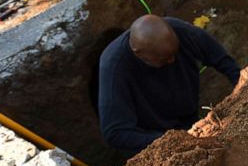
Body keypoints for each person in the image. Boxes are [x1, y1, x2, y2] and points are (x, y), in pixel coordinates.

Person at [98, 14, 240, 154]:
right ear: (139, 53)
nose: (172, 60)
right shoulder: (114, 68)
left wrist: (243, 86)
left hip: (188, 113)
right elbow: (115, 133)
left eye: (175, 53)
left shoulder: (178, 30)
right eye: (164, 59)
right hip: (155, 135)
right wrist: (173, 140)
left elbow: (220, 58)